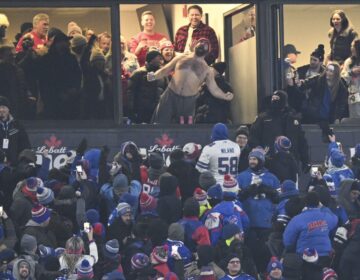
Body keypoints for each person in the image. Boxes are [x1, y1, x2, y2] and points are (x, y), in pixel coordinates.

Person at [148, 39, 233, 124]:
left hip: (188, 101)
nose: (202, 44)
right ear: (195, 45)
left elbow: (214, 89)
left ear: (208, 51)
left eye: (205, 44)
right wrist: (154, 76)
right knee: (159, 123)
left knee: (184, 129)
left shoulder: (207, 70)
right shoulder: (181, 57)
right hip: (170, 95)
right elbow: (165, 70)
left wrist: (225, 96)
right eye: (201, 42)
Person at [249, 90, 309, 173]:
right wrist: (260, 152)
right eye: (273, 98)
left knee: (290, 185)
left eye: (277, 98)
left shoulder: (293, 119)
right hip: (269, 160)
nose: (274, 100)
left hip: (291, 161)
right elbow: (253, 137)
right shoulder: (263, 118)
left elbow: (301, 141)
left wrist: (306, 160)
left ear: (283, 100)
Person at [283, 192, 338, 268]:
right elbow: (335, 219)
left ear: (305, 203)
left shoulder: (297, 219)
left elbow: (287, 240)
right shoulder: (326, 216)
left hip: (304, 256)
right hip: (325, 255)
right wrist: (324, 207)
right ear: (318, 203)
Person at [127, 49, 167, 124]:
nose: (161, 60)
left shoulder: (162, 74)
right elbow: (130, 92)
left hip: (157, 110)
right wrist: (131, 110)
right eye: (158, 58)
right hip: (141, 111)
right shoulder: (139, 73)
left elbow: (166, 91)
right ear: (152, 59)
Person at [0, 96, 31, 165]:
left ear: (8, 109)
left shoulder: (17, 125)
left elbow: (26, 147)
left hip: (15, 167)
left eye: (3, 107)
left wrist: (22, 163)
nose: (1, 110)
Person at [341, 39, 360, 120]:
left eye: (352, 46)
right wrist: (351, 72)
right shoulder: (349, 62)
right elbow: (343, 78)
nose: (351, 48)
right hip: (354, 95)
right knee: (355, 118)